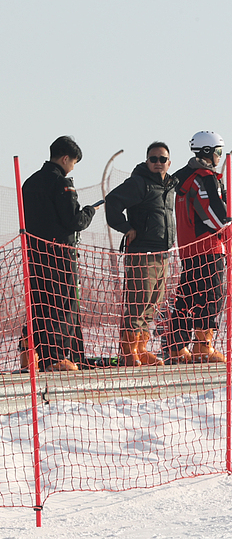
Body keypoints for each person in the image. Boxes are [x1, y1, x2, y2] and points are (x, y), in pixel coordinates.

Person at [165, 131, 232, 363]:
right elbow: (216, 219)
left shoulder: (180, 178)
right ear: (208, 152)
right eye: (218, 151)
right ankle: (202, 346)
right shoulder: (204, 178)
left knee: (186, 298)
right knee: (212, 296)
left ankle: (177, 348)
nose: (219, 156)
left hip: (187, 249)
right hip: (209, 249)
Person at [21, 136, 96, 372]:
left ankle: (29, 352)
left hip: (34, 253)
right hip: (60, 255)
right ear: (65, 158)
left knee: (38, 303)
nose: (72, 167)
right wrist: (89, 211)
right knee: (63, 305)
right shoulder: (61, 183)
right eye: (73, 162)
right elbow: (73, 220)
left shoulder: (29, 182)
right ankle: (57, 357)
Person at [105, 141, 177, 366]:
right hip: (141, 254)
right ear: (147, 161)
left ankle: (141, 348)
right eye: (153, 159)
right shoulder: (139, 183)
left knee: (152, 305)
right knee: (137, 303)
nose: (158, 163)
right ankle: (129, 352)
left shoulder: (170, 186)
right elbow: (112, 202)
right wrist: (126, 228)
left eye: (162, 159)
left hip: (162, 253)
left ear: (169, 162)